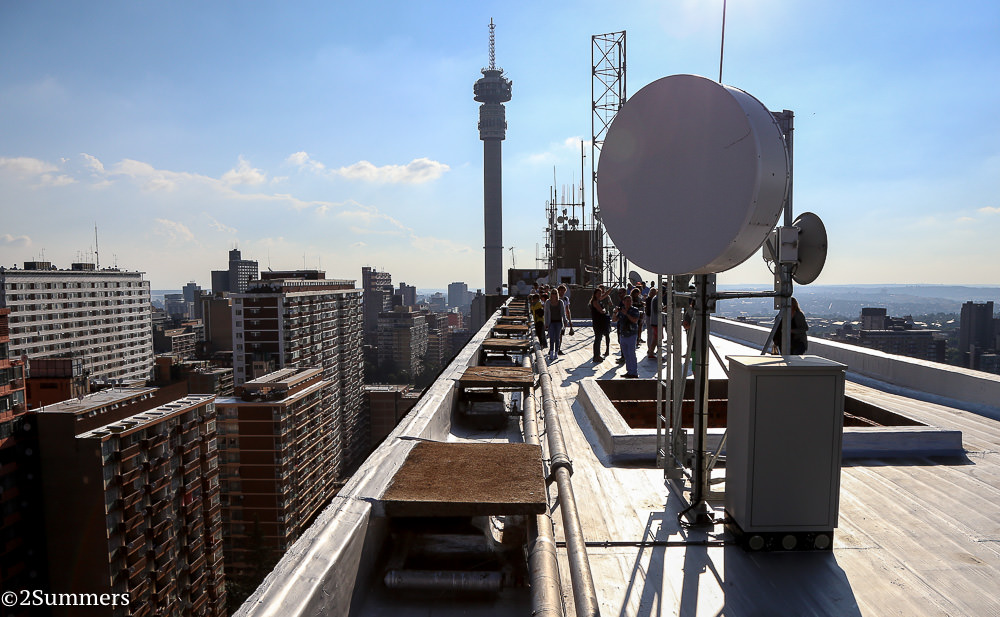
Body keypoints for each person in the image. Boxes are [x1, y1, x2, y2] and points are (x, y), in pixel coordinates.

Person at [615, 295, 641, 378]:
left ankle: (634, 372)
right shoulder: (621, 310)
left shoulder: (634, 310)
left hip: (631, 334)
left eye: (630, 301)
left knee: (631, 354)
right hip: (623, 334)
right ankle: (629, 371)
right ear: (623, 302)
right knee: (626, 354)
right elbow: (614, 319)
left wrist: (627, 314)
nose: (628, 302)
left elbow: (635, 320)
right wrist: (615, 312)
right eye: (627, 301)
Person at [543, 290, 565, 361]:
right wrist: (546, 323)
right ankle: (551, 352)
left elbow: (563, 312)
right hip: (551, 322)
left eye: (555, 293)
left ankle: (556, 352)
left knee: (557, 338)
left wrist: (565, 321)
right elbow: (546, 313)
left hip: (558, 322)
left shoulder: (560, 302)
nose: (554, 295)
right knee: (551, 337)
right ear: (551, 294)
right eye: (552, 293)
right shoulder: (548, 302)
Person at [589, 288, 609, 363]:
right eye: (598, 293)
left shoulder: (598, 300)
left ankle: (598, 355)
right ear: (595, 294)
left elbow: (606, 294)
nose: (599, 295)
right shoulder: (594, 302)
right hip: (597, 323)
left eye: (600, 293)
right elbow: (601, 310)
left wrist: (612, 287)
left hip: (600, 322)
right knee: (597, 339)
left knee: (599, 339)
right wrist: (604, 310)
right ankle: (596, 356)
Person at [645, 287, 660, 359]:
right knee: (651, 334)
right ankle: (650, 348)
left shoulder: (654, 299)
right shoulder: (649, 300)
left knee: (653, 334)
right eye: (652, 292)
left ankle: (652, 349)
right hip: (650, 317)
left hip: (652, 317)